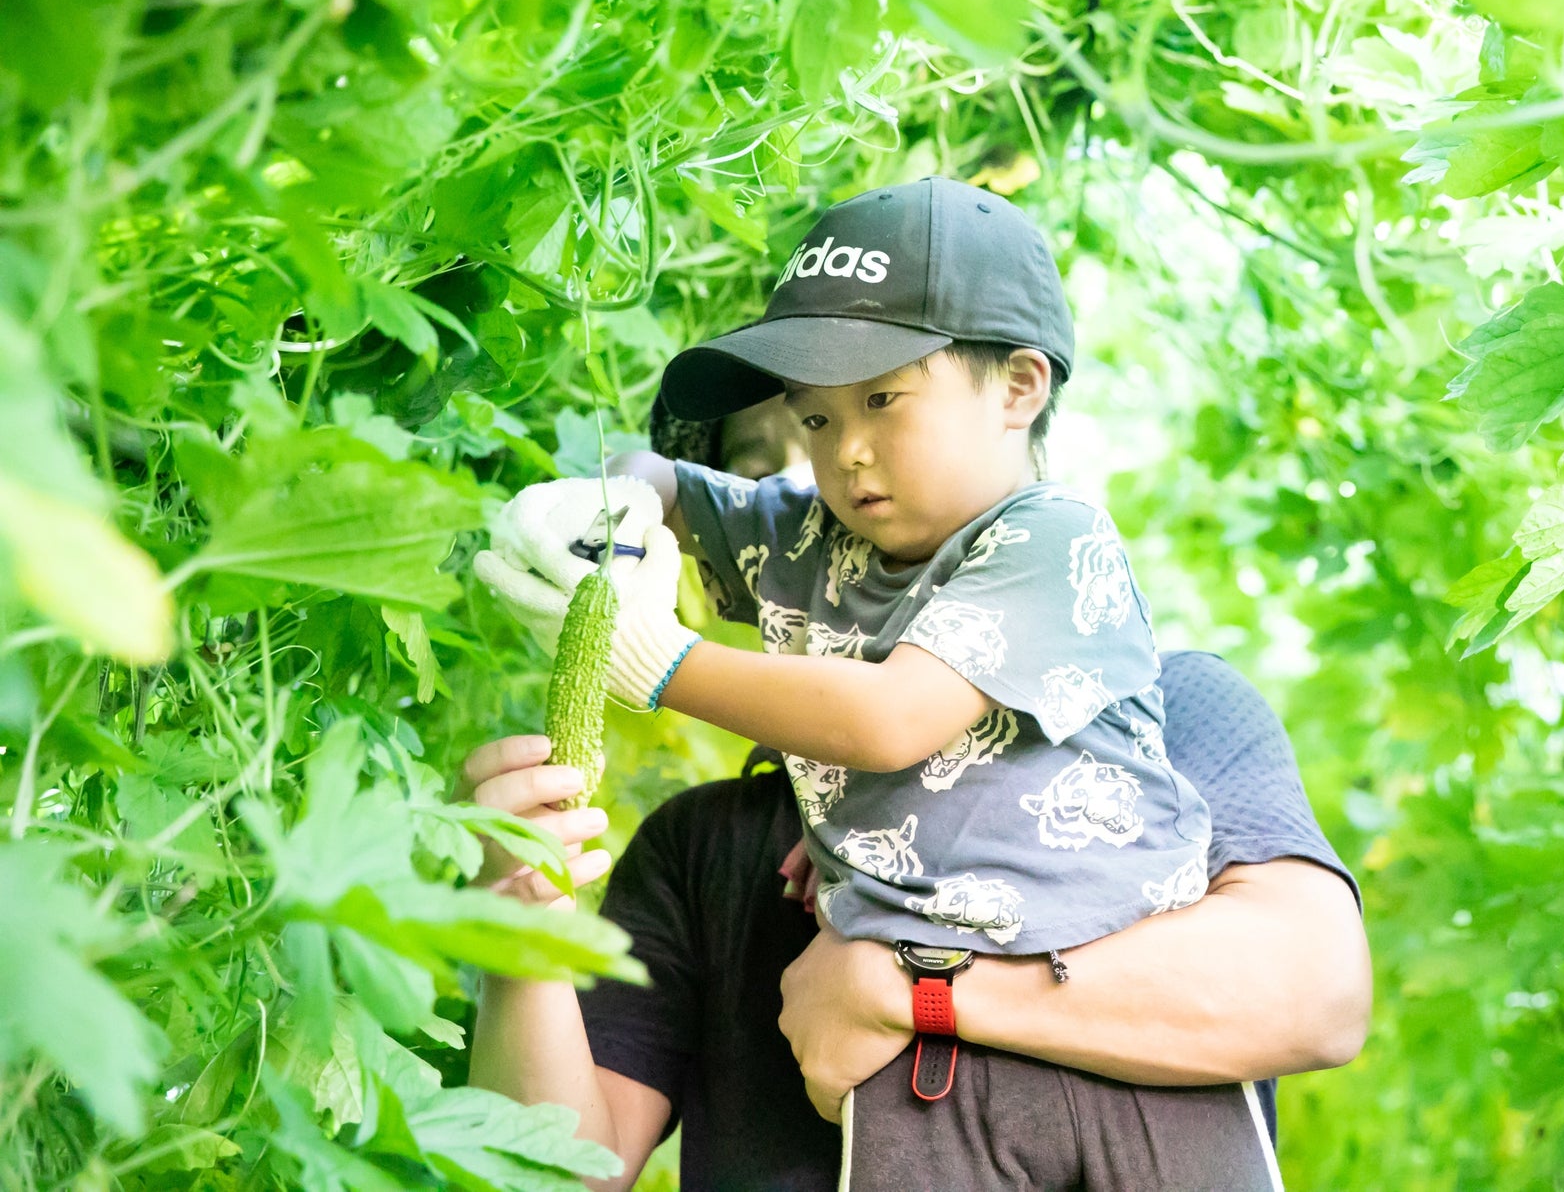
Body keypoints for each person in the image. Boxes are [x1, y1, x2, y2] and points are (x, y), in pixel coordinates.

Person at [466, 179, 1371, 1187]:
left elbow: (892, 719)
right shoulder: (712, 829)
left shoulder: (1069, 570)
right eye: (808, 420)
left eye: (882, 400)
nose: (843, 456)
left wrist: (661, 664)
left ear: (1019, 389)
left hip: (1139, 1131)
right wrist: (619, 497)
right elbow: (561, 1172)